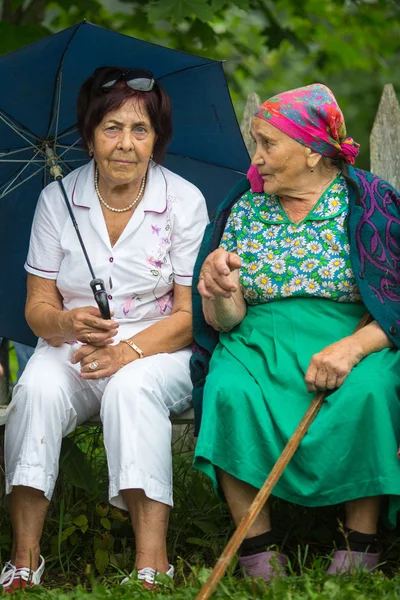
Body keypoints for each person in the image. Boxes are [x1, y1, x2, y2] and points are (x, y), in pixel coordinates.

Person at [0, 66, 208, 593]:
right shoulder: (59, 199)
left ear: (156, 138)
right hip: (74, 344)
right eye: (111, 128)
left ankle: (151, 563)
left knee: (131, 391)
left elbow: (189, 316)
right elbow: (38, 308)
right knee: (37, 391)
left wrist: (127, 352)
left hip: (160, 346)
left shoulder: (183, 201)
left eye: (141, 130)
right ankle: (24, 559)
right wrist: (67, 321)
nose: (125, 144)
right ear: (89, 133)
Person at [192, 83, 400, 580]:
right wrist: (219, 290)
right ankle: (257, 545)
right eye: (255, 143)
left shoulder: (369, 202)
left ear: (311, 151)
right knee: (228, 389)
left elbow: (394, 304)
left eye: (268, 144)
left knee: (372, 390)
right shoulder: (241, 208)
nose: (256, 157)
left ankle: (360, 539)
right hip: (257, 344)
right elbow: (225, 322)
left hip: (353, 340)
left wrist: (352, 348)